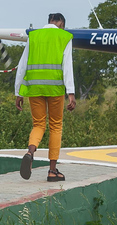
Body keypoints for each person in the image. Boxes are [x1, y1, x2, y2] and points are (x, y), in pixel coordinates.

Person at [15, 13, 76, 182]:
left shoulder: (33, 35)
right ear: (61, 23)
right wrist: (71, 93)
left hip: (34, 88)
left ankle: (30, 152)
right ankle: (52, 171)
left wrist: (18, 92)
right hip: (55, 88)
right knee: (55, 126)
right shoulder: (65, 36)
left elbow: (22, 65)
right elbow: (67, 66)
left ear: (49, 21)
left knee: (38, 124)